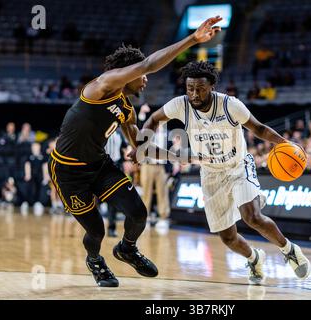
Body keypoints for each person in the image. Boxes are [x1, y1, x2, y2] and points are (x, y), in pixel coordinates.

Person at [47, 17, 222, 287]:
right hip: (68, 171)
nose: (145, 80)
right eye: (142, 77)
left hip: (100, 166)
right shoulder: (102, 85)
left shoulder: (127, 110)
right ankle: (95, 260)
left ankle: (127, 248)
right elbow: (148, 64)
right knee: (96, 230)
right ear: (127, 72)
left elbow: (142, 147)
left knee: (138, 213)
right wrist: (192, 40)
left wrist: (188, 157)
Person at [139, 61, 311, 284]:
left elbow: (258, 128)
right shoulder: (181, 105)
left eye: (199, 89)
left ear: (211, 86)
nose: (194, 94)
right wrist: (142, 144)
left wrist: (285, 143)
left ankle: (289, 250)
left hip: (238, 166)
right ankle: (254, 257)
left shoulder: (231, 105)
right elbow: (153, 119)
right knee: (227, 237)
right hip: (210, 173)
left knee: (252, 217)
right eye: (190, 88)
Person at [103, 128, 129, 237]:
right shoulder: (100, 128)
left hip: (116, 166)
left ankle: (111, 228)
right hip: (102, 166)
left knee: (113, 199)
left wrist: (128, 153)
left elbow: (125, 147)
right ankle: (92, 228)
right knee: (94, 198)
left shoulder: (119, 132)